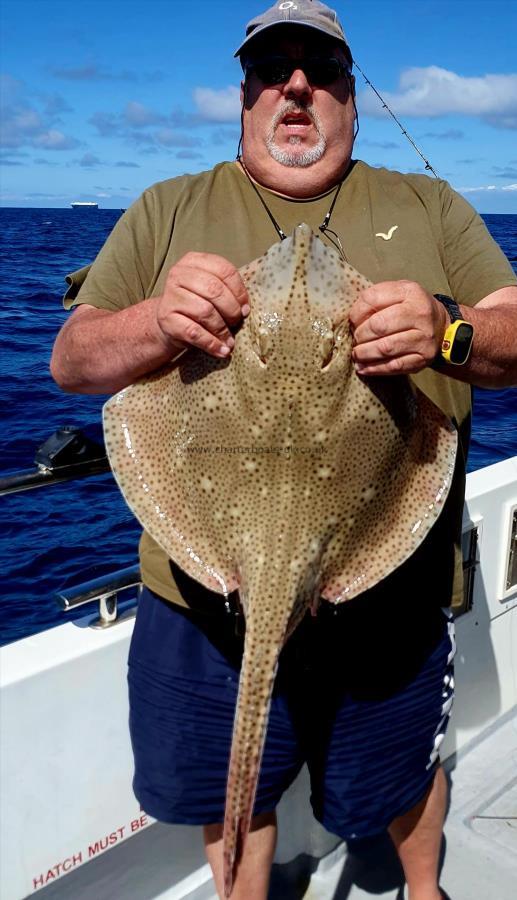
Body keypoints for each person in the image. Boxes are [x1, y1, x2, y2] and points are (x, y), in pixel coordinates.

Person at [50, 2, 517, 898]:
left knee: (399, 777)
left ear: (350, 96)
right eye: (273, 69)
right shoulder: (167, 206)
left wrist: (448, 331)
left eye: (318, 70)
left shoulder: (427, 201)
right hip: (197, 596)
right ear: (245, 96)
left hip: (390, 590)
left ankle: (424, 892)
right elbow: (72, 360)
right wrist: (155, 320)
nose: (294, 85)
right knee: (232, 795)